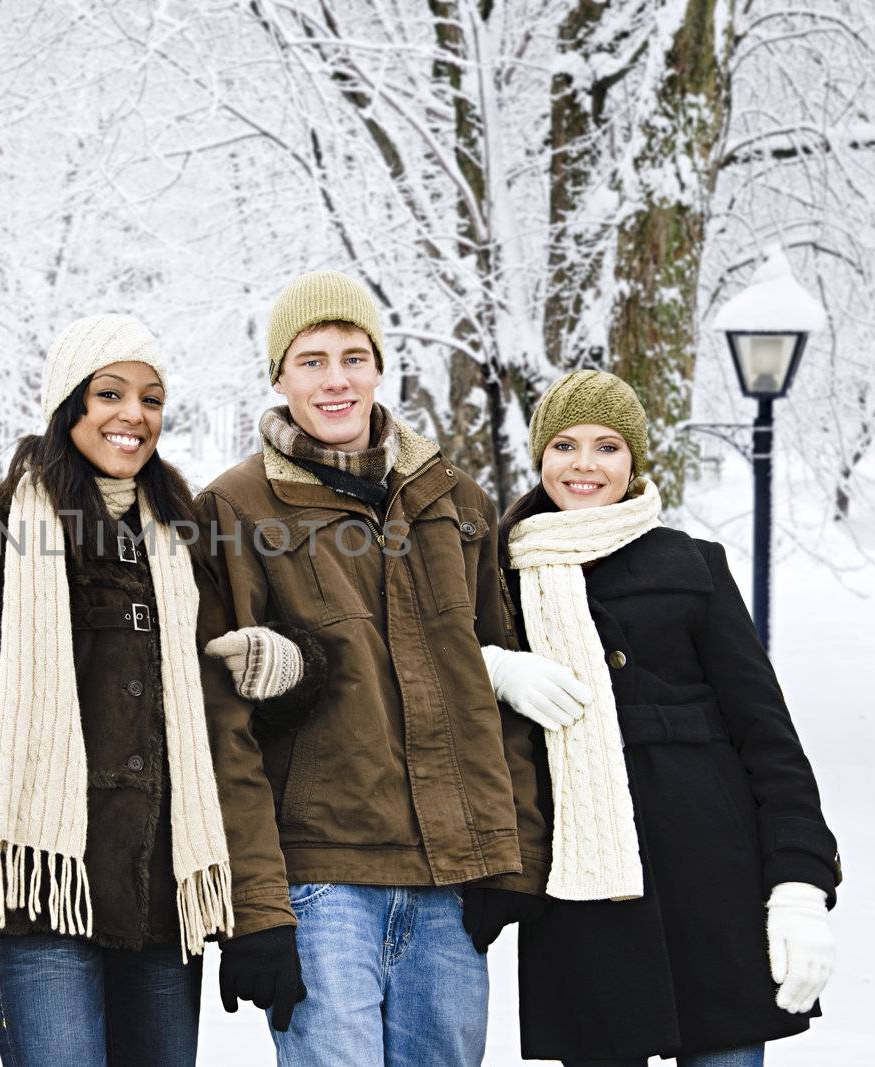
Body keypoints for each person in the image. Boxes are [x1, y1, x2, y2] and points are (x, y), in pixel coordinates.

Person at [0, 314, 255, 1066]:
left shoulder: (183, 548)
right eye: (110, 392)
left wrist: (288, 659)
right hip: (37, 898)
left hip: (158, 901)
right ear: (69, 405)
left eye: (151, 398)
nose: (134, 415)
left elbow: (216, 688)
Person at [196, 269, 551, 1066]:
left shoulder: (456, 500)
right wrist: (256, 908)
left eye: (353, 356)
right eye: (311, 360)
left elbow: (502, 678)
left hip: (451, 881)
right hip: (320, 882)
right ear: (279, 376)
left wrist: (511, 853)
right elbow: (224, 729)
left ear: (379, 366)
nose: (335, 379)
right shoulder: (234, 508)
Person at [491, 369, 839, 1067]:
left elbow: (768, 740)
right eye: (564, 444)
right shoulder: (500, 571)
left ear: (634, 459)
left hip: (716, 890)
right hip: (585, 903)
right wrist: (490, 667)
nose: (584, 464)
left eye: (608, 446)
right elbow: (423, 667)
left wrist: (801, 883)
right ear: (540, 456)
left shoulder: (693, 565)